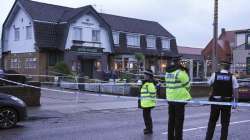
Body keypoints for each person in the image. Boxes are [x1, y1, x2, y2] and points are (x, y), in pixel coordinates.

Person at [205, 60, 239, 140]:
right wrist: (235, 102)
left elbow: (208, 83)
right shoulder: (232, 77)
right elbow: (235, 90)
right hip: (226, 103)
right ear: (229, 68)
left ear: (221, 66)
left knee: (212, 122)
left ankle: (208, 138)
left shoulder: (215, 75)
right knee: (225, 124)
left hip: (215, 102)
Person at [165, 53, 192, 140]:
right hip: (179, 100)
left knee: (171, 121)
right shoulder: (180, 72)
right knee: (179, 122)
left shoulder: (168, 72)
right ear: (179, 61)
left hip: (170, 99)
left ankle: (170, 138)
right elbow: (188, 85)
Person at [138, 69, 157, 134]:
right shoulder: (146, 83)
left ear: (149, 76)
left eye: (145, 75)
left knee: (147, 117)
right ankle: (148, 128)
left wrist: (151, 102)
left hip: (148, 104)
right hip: (145, 103)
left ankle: (149, 129)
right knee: (146, 117)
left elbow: (153, 94)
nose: (144, 76)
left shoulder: (150, 84)